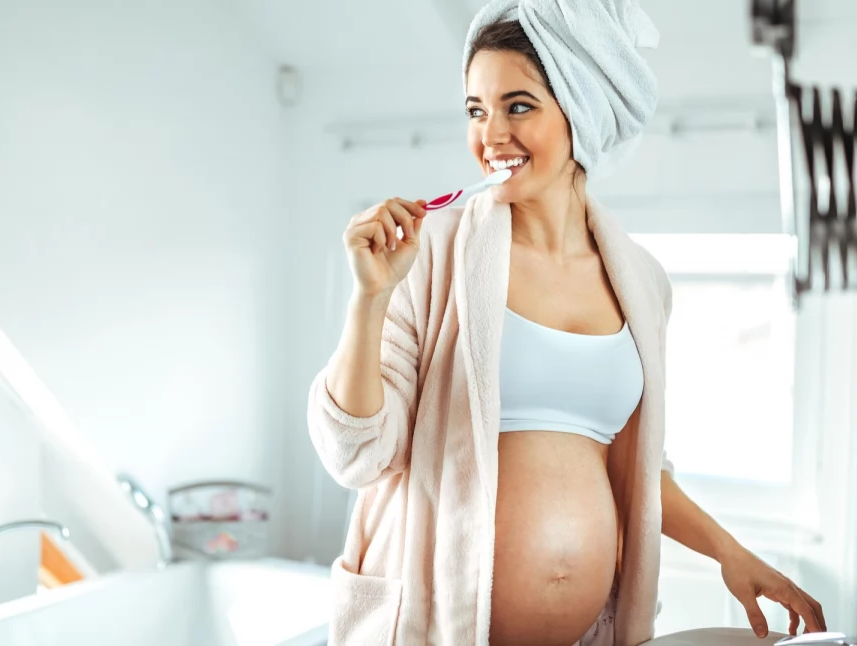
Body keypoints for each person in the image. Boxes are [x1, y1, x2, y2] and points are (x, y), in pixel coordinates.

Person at [306, 1, 827, 644]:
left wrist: (731, 553)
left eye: (518, 106)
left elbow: (639, 472)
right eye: (476, 110)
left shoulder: (642, 282)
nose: (490, 135)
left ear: (580, 110)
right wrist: (370, 299)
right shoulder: (431, 253)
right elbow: (356, 453)